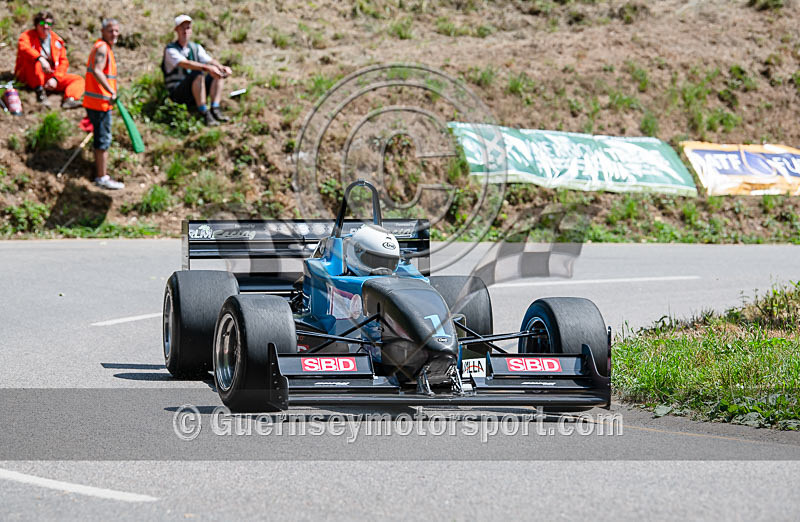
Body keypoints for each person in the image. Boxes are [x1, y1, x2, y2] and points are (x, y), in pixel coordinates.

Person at [162, 14, 232, 126]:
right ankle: (204, 112)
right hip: (178, 92)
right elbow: (186, 64)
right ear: (176, 30)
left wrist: (221, 68)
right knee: (198, 73)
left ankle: (215, 108)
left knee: (217, 74)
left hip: (195, 89)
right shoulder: (170, 50)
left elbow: (209, 60)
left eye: (187, 28)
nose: (185, 31)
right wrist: (208, 68)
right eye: (182, 28)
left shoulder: (195, 47)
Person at [83, 18, 124, 190]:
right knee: (103, 140)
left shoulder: (104, 48)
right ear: (102, 32)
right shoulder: (101, 48)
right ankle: (101, 177)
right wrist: (111, 91)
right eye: (110, 30)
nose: (113, 34)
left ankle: (101, 174)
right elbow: (97, 70)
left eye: (116, 30)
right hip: (99, 103)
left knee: (102, 138)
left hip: (100, 102)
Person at [15, 11, 84, 109]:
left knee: (78, 79)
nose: (46, 26)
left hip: (49, 76)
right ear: (36, 24)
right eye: (42, 23)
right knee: (36, 62)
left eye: (49, 24)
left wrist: (55, 79)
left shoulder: (57, 40)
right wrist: (40, 58)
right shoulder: (27, 36)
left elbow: (63, 62)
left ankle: (70, 100)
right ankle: (40, 93)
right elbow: (24, 48)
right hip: (30, 75)